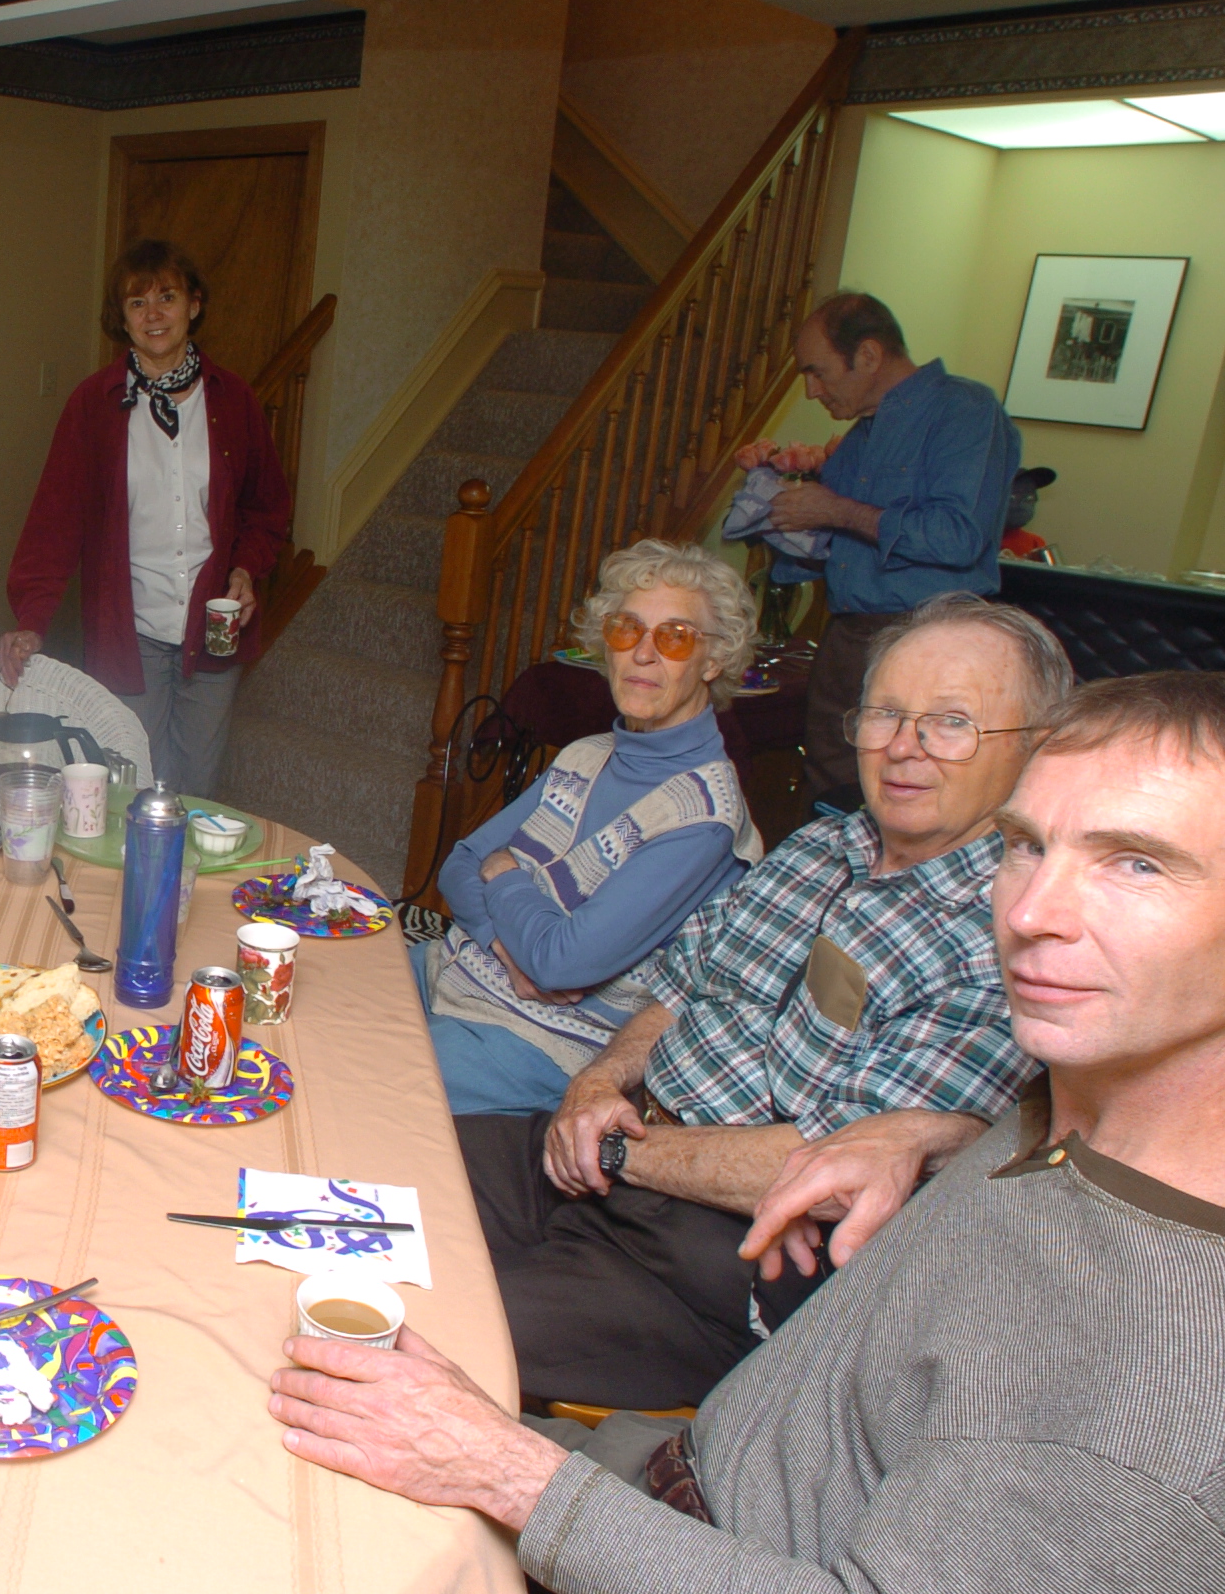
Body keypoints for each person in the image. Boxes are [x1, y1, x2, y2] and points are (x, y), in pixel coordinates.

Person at [264, 669, 1225, 1594]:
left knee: (295, 1370)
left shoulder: (1154, 1388)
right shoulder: (1059, 1110)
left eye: (1136, 863)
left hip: (649, 1523)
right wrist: (932, 1134)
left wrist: (504, 1472)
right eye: (1026, 844)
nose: (1029, 911)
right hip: (650, 1470)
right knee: (281, 1268)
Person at [455, 593, 1067, 1409]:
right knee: (362, 1185)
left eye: (950, 723)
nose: (902, 746)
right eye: (885, 713)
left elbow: (831, 1171)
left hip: (705, 1259)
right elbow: (677, 990)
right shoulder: (820, 844)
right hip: (603, 1148)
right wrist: (597, 1086)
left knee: (421, 1324)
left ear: (1037, 748)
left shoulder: (1016, 940)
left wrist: (617, 1153)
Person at [426, 542, 762, 1117]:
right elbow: (458, 863)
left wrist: (504, 872)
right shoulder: (586, 754)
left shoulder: (705, 817)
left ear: (714, 660)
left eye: (676, 637)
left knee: (343, 1080)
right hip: (455, 974)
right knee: (308, 1010)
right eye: (627, 629)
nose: (644, 654)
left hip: (533, 1041)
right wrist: (503, 947)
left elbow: (559, 963)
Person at [0, 239, 293, 795]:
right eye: (138, 303)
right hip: (128, 632)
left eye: (167, 297)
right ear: (122, 317)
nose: (153, 314)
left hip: (213, 632)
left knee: (196, 787)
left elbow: (267, 506)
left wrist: (245, 569)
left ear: (194, 305)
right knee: (128, 785)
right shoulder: (93, 404)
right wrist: (32, 618)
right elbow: (54, 521)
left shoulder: (234, 400)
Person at [763, 292, 1020, 797]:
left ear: (868, 355)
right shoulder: (859, 436)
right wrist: (776, 517)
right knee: (832, 792)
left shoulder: (964, 410)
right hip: (846, 639)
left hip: (930, 639)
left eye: (817, 372)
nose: (812, 392)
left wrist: (836, 512)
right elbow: (835, 550)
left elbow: (958, 538)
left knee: (913, 793)